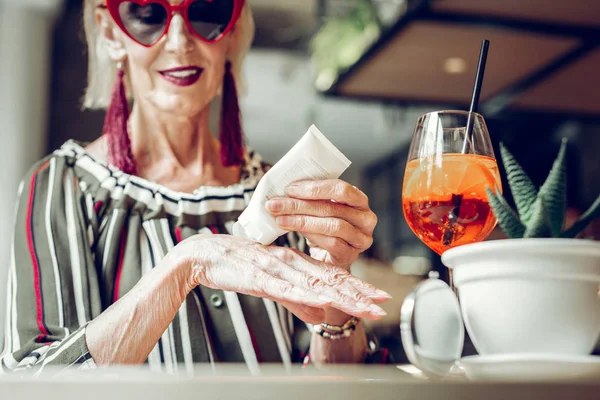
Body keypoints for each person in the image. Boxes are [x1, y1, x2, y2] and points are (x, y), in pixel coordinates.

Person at [0, 0, 390, 374]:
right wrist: (187, 263)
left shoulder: (282, 194)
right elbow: (38, 384)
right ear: (110, 32)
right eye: (148, 13)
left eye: (206, 10)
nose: (179, 40)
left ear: (233, 33)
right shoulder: (66, 185)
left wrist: (337, 294)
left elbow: (337, 385)